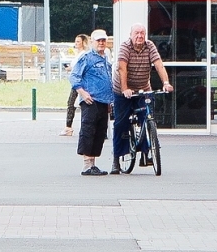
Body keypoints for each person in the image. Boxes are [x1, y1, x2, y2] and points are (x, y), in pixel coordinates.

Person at [112, 23, 172, 174]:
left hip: (143, 88)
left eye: (142, 33)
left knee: (146, 116)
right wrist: (125, 88)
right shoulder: (125, 47)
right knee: (121, 123)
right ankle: (116, 159)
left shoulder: (149, 46)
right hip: (123, 89)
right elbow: (121, 68)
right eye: (136, 33)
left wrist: (166, 82)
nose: (139, 36)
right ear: (131, 35)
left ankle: (146, 153)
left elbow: (159, 65)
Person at [70, 29, 114, 175]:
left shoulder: (106, 58)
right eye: (98, 40)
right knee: (89, 130)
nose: (101, 43)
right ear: (92, 42)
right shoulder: (87, 58)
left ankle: (93, 164)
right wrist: (83, 93)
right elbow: (75, 77)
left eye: (103, 40)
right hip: (91, 100)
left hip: (103, 101)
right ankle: (87, 165)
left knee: (99, 133)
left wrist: (109, 101)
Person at [62, 33, 89, 136]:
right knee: (74, 103)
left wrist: (71, 68)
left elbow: (78, 68)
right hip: (77, 81)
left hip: (78, 82)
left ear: (83, 43)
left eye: (78, 41)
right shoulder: (79, 54)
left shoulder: (83, 54)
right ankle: (70, 127)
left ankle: (68, 127)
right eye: (76, 41)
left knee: (71, 103)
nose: (76, 43)